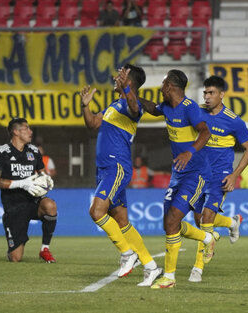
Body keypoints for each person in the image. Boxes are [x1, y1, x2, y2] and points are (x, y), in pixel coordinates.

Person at [123, 69, 218, 289]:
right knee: (169, 224)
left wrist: (189, 152)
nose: (160, 87)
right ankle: (206, 238)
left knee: (173, 219)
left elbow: (205, 133)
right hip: (179, 173)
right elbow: (150, 108)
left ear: (169, 87)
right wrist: (128, 91)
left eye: (163, 83)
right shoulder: (166, 107)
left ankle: (170, 277)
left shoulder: (190, 108)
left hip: (197, 172)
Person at [80, 64, 163, 287]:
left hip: (116, 167)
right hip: (104, 168)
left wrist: (127, 88)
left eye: (121, 75)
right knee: (122, 221)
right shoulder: (114, 106)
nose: (116, 77)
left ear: (130, 81)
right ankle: (151, 266)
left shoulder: (130, 104)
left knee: (96, 211)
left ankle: (127, 254)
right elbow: (92, 124)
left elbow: (135, 108)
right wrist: (85, 107)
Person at [189, 75, 248, 283]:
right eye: (205, 93)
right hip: (199, 174)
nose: (207, 97)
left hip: (220, 176)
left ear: (221, 94)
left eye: (211, 93)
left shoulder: (234, 121)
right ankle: (231, 222)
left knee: (207, 218)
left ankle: (197, 268)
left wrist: (235, 175)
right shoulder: (197, 112)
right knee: (199, 220)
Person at [0, 118, 57, 263]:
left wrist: (46, 181)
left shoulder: (33, 151)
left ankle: (44, 249)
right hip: (14, 207)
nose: (30, 132)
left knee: (50, 205)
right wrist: (22, 183)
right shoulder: (1, 152)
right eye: (26, 129)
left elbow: (42, 173)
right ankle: (13, 243)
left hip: (33, 202)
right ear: (15, 132)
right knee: (16, 258)